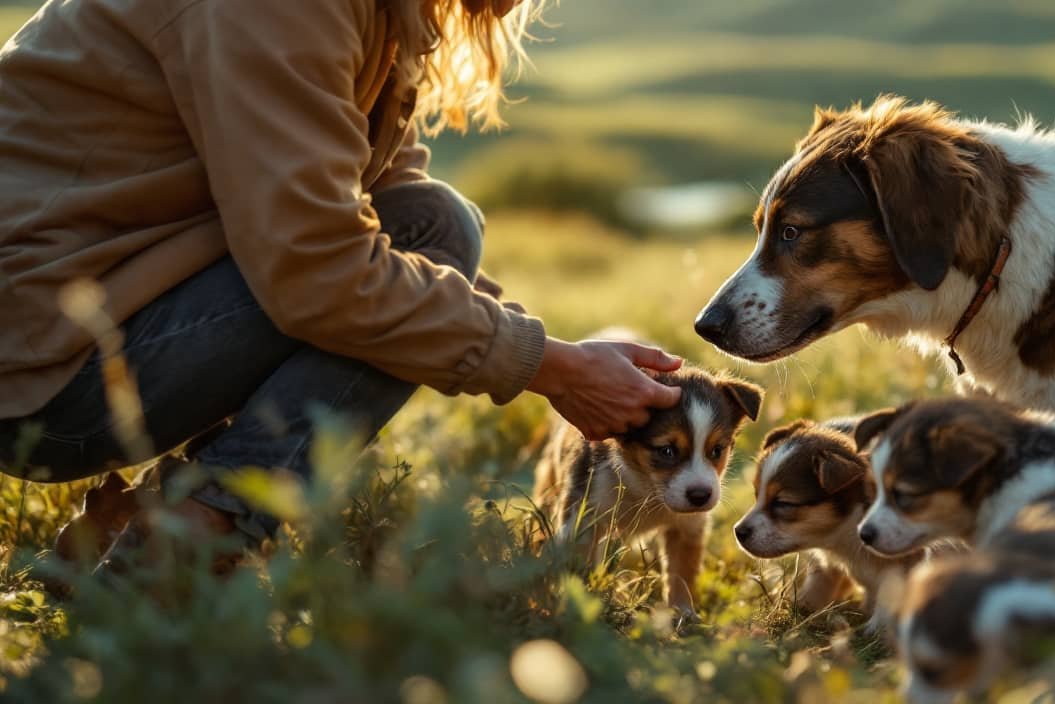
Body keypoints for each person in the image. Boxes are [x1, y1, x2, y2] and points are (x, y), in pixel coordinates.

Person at [0, 0, 682, 573]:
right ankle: (189, 541)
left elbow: (381, 211)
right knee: (430, 230)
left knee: (430, 222)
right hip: (41, 370)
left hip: (73, 326)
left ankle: (142, 524)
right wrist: (553, 368)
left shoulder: (373, 14)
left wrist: (552, 353)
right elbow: (322, 271)